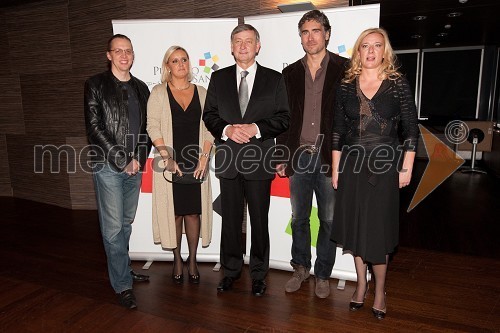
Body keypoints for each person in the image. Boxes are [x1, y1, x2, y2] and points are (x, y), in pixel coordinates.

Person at [330, 28, 419, 319]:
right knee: (356, 227)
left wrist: (406, 165)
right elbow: (337, 131)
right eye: (365, 46)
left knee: (378, 231)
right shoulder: (345, 85)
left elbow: (411, 129)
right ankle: (360, 285)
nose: (370, 51)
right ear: (358, 51)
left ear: (385, 51)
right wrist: (335, 168)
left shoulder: (397, 84)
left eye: (376, 46)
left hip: (385, 165)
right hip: (352, 165)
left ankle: (380, 290)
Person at [203, 24, 290, 296]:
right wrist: (228, 130)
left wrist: (255, 128)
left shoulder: (274, 79)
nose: (243, 46)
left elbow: (283, 118)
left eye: (248, 41)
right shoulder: (218, 79)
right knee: (229, 220)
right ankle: (230, 271)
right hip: (229, 160)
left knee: (259, 221)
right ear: (231, 47)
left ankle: (259, 274)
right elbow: (210, 115)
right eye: (237, 41)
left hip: (259, 160)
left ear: (258, 46)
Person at [276, 9, 347, 299]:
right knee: (299, 217)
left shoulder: (346, 69)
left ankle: (323, 273)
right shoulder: (290, 73)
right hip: (299, 156)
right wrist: (281, 156)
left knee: (329, 219)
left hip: (330, 157)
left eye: (316, 30)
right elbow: (283, 117)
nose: (310, 37)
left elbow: (350, 116)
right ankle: (300, 268)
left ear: (327, 34)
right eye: (305, 32)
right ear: (300, 37)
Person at [84, 34, 151, 309]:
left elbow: (147, 129)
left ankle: (122, 268)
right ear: (109, 55)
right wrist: (123, 159)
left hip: (134, 166)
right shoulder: (95, 84)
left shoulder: (142, 88)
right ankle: (122, 285)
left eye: (129, 51)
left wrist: (138, 159)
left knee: (125, 223)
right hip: (108, 165)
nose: (124, 55)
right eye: (118, 51)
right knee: (112, 229)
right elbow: (94, 128)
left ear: (133, 55)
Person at [147, 46, 213, 285]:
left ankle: (193, 260)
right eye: (175, 61)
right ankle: (177, 259)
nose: (181, 64)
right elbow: (152, 126)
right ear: (168, 66)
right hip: (171, 162)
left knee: (194, 212)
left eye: (184, 59)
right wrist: (167, 158)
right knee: (174, 213)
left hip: (197, 161)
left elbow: (210, 127)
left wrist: (204, 158)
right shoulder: (158, 92)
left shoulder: (203, 93)